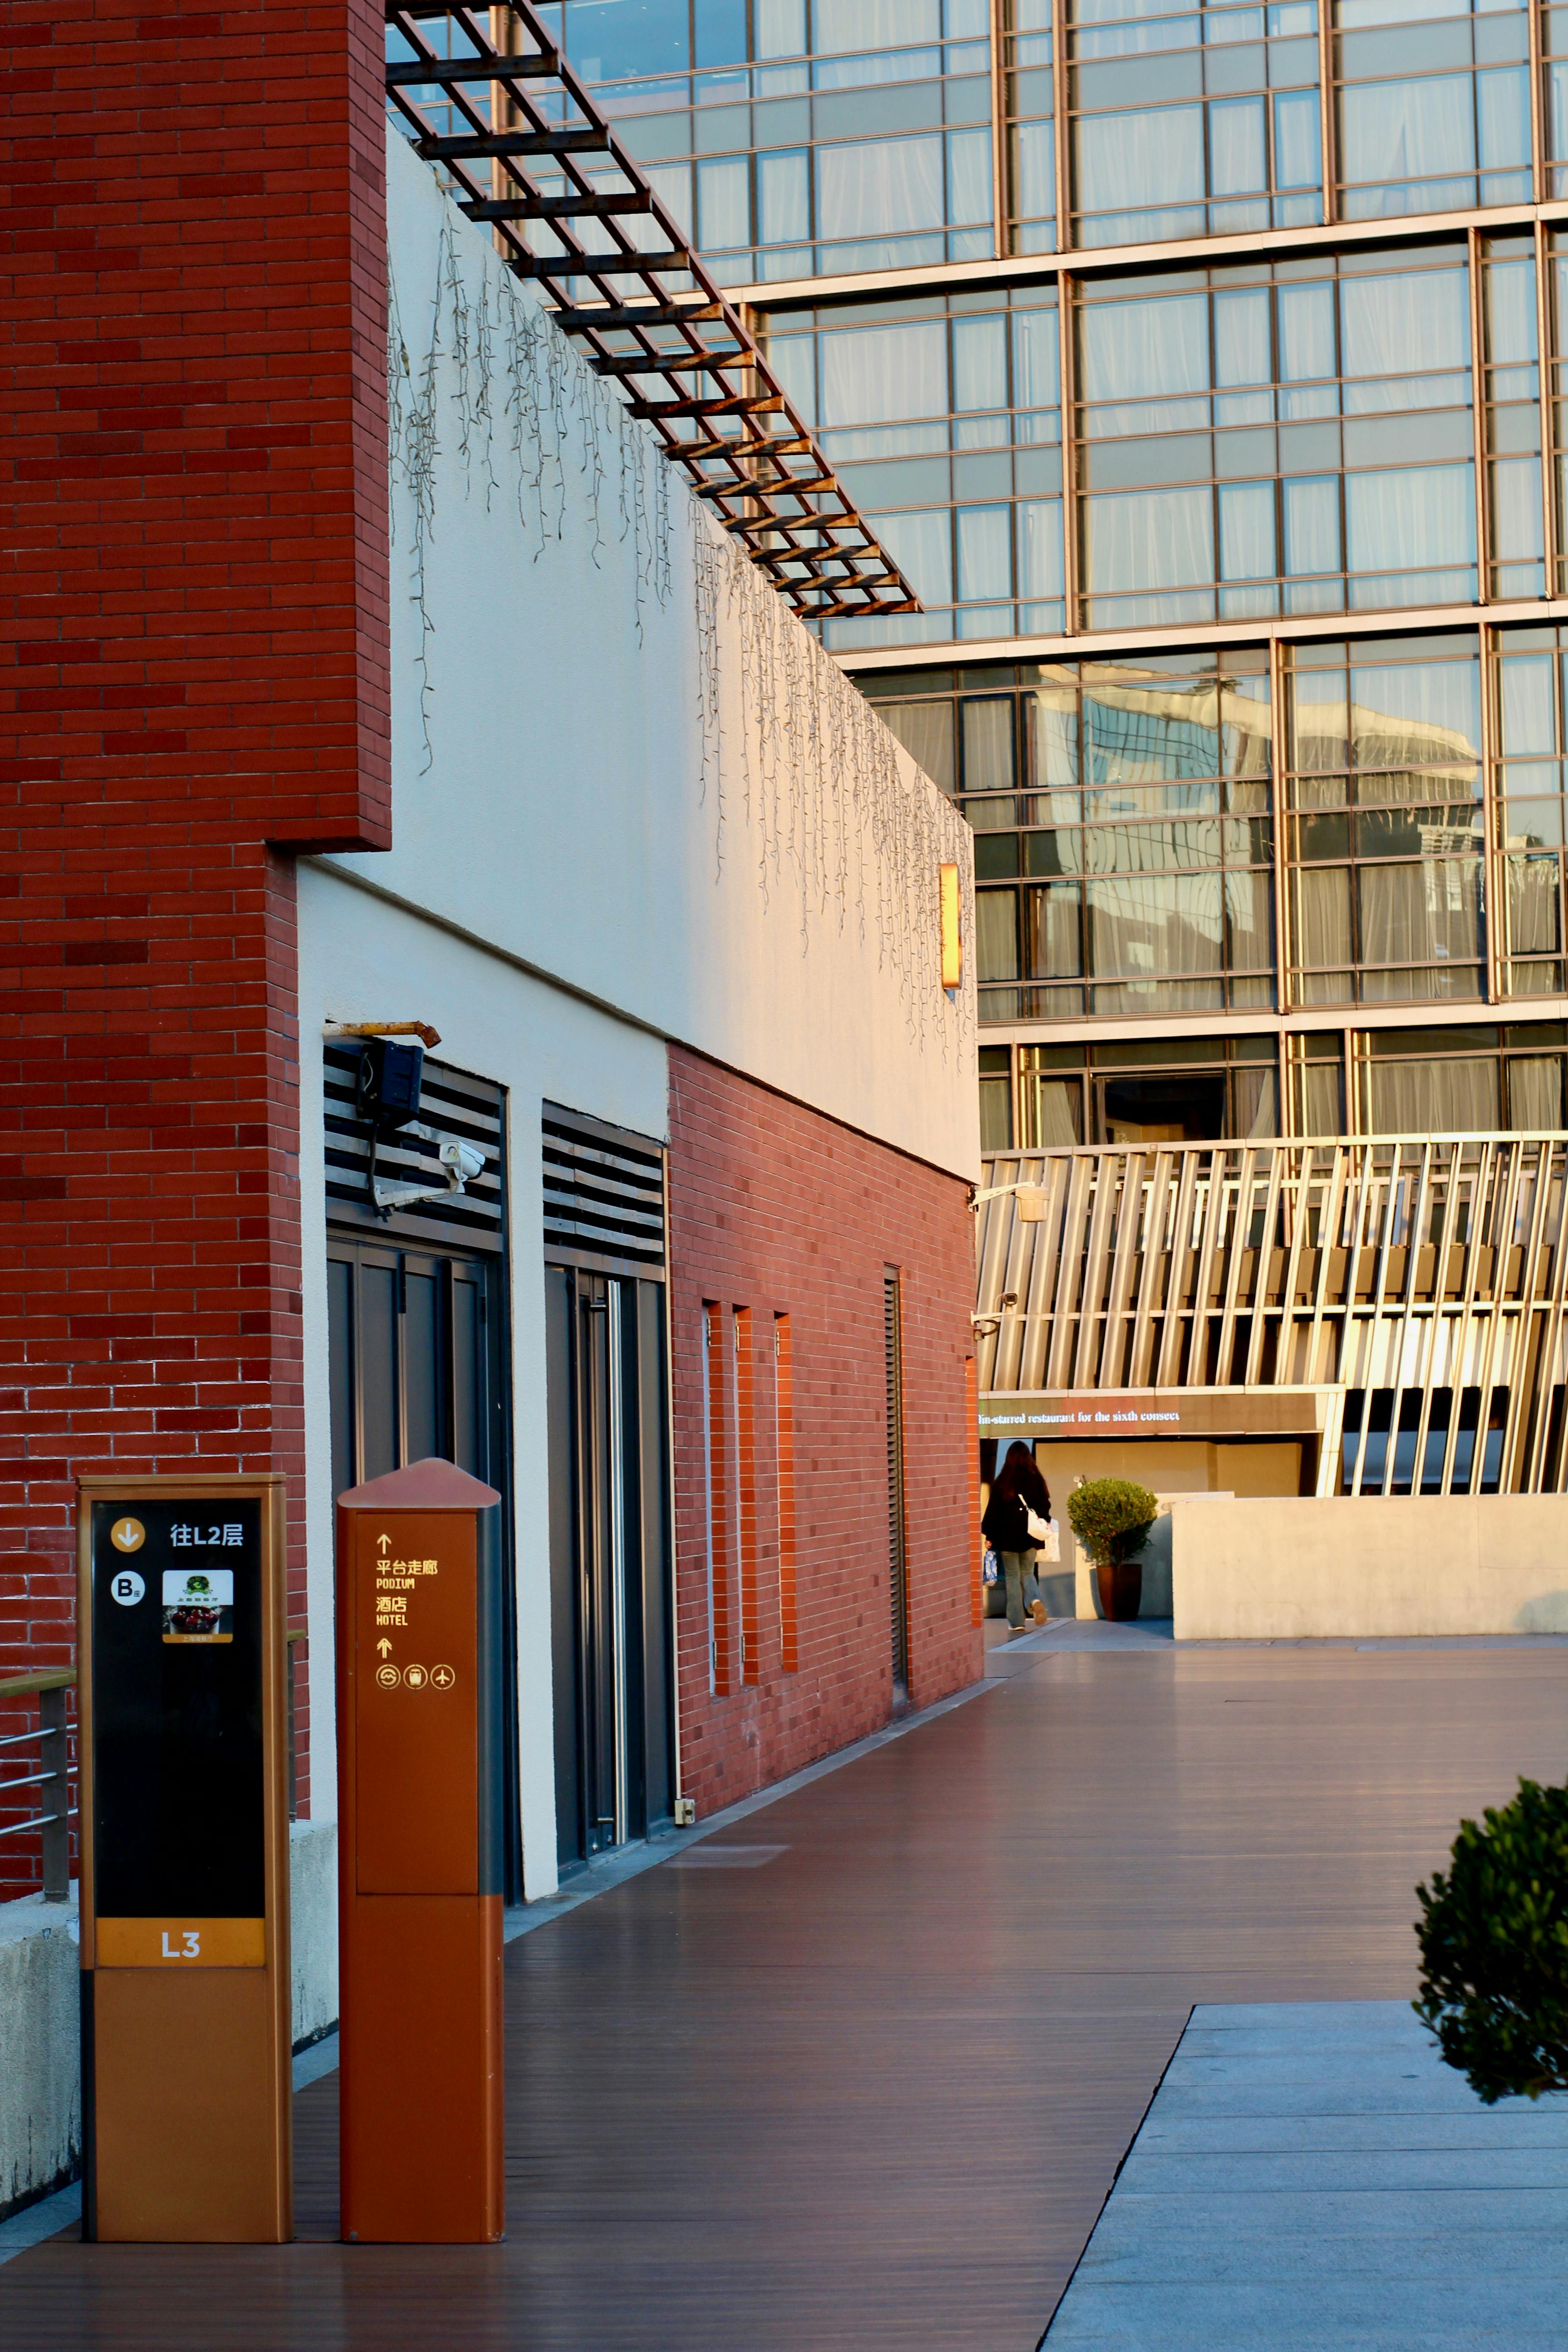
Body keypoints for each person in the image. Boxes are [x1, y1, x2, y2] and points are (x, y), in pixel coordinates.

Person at [981, 1441, 1053, 1634]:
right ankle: (1035, 1600)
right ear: (1028, 1457)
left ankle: (1016, 1622)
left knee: (1012, 1577)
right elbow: (1045, 1505)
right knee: (1028, 1573)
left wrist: (990, 1535)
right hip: (1031, 1535)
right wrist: (1045, 1521)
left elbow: (994, 1511)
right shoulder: (1036, 1479)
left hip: (1007, 1537)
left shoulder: (1003, 1481)